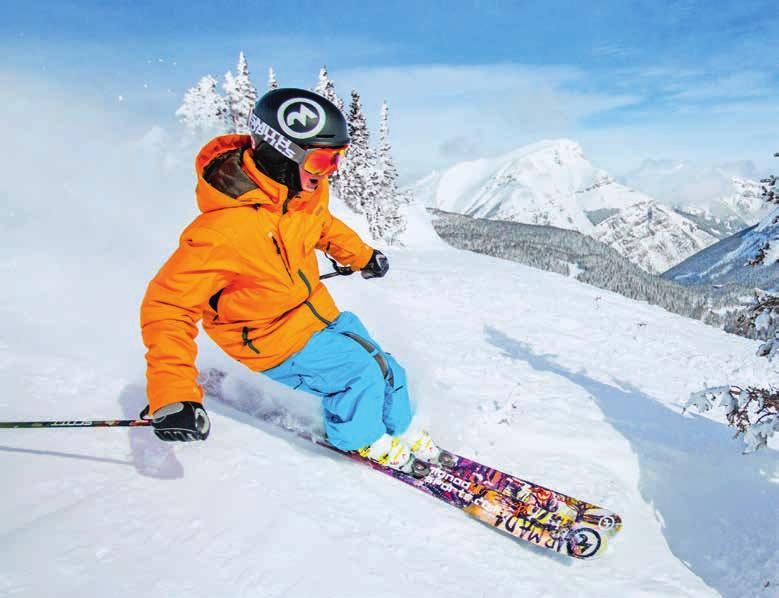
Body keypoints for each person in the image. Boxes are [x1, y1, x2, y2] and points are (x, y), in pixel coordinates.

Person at [140, 88, 437, 470]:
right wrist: (172, 395)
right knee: (358, 374)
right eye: (321, 160)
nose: (331, 171)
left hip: (317, 315)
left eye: (337, 159)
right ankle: (361, 439)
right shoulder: (222, 231)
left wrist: (363, 256)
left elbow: (323, 226)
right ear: (281, 154)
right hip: (269, 338)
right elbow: (167, 307)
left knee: (385, 366)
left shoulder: (301, 195)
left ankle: (400, 430)